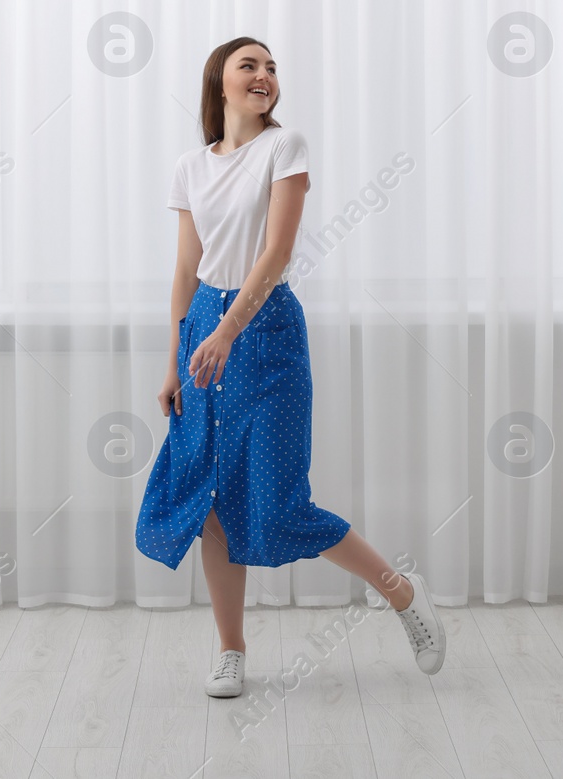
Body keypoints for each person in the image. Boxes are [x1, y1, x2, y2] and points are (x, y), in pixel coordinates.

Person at [135, 36, 445, 697]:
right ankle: (230, 649)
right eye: (249, 64)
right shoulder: (191, 165)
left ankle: (400, 591)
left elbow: (275, 253)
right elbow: (186, 271)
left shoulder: (285, 147)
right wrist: (173, 362)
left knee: (278, 504)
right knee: (211, 500)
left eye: (272, 66)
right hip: (202, 338)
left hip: (265, 331)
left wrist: (225, 331)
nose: (264, 74)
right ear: (218, 82)